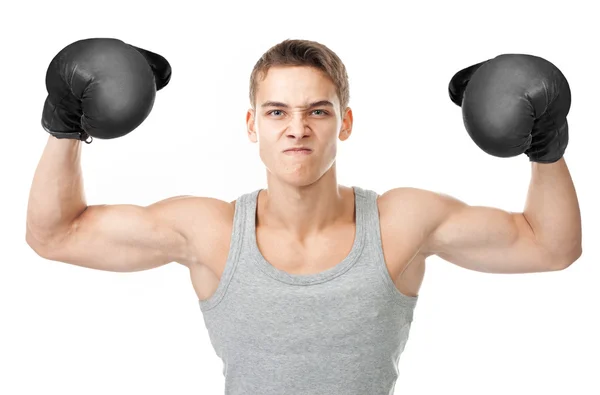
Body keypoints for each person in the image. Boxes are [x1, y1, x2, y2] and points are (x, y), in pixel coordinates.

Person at [25, 38, 582, 395]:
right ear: (252, 125)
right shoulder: (212, 233)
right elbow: (55, 234)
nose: (298, 128)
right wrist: (65, 127)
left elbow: (550, 246)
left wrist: (546, 148)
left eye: (318, 111)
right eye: (277, 112)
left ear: (345, 123)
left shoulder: (400, 224)